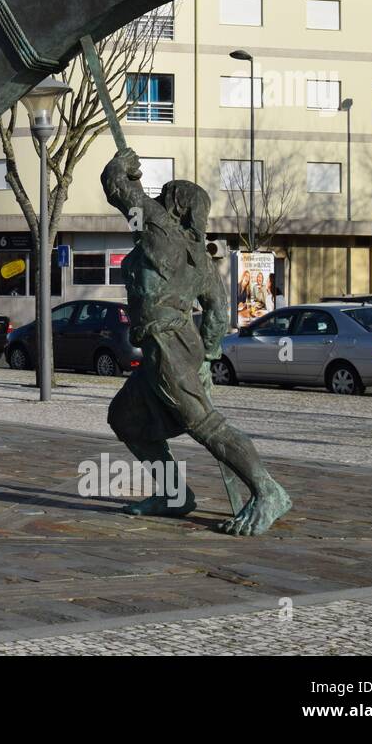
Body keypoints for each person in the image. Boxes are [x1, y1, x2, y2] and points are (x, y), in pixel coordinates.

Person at [101, 148, 291, 536]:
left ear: (173, 207)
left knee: (205, 424)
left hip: (168, 344)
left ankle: (268, 492)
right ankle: (174, 496)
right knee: (125, 417)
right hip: (171, 345)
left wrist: (126, 163)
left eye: (162, 196)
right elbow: (219, 313)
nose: (153, 202)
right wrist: (205, 355)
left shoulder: (159, 229)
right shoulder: (199, 258)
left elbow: (115, 185)